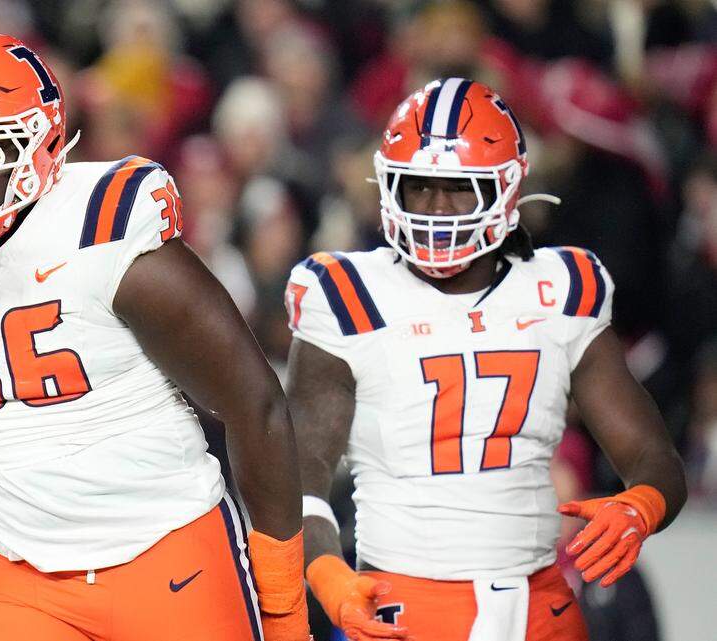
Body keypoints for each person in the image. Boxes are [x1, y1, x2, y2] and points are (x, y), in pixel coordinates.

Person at [0, 32, 309, 641]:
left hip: (169, 552)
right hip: (21, 577)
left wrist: (285, 607)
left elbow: (255, 403)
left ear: (41, 140)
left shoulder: (101, 222)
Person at [283, 78, 686, 641]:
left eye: (458, 188)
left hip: (541, 601)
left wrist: (641, 505)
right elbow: (298, 472)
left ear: (507, 189)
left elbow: (651, 452)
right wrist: (326, 573)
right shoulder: (347, 294)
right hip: (402, 599)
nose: (436, 209)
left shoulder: (560, 288)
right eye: (417, 187)